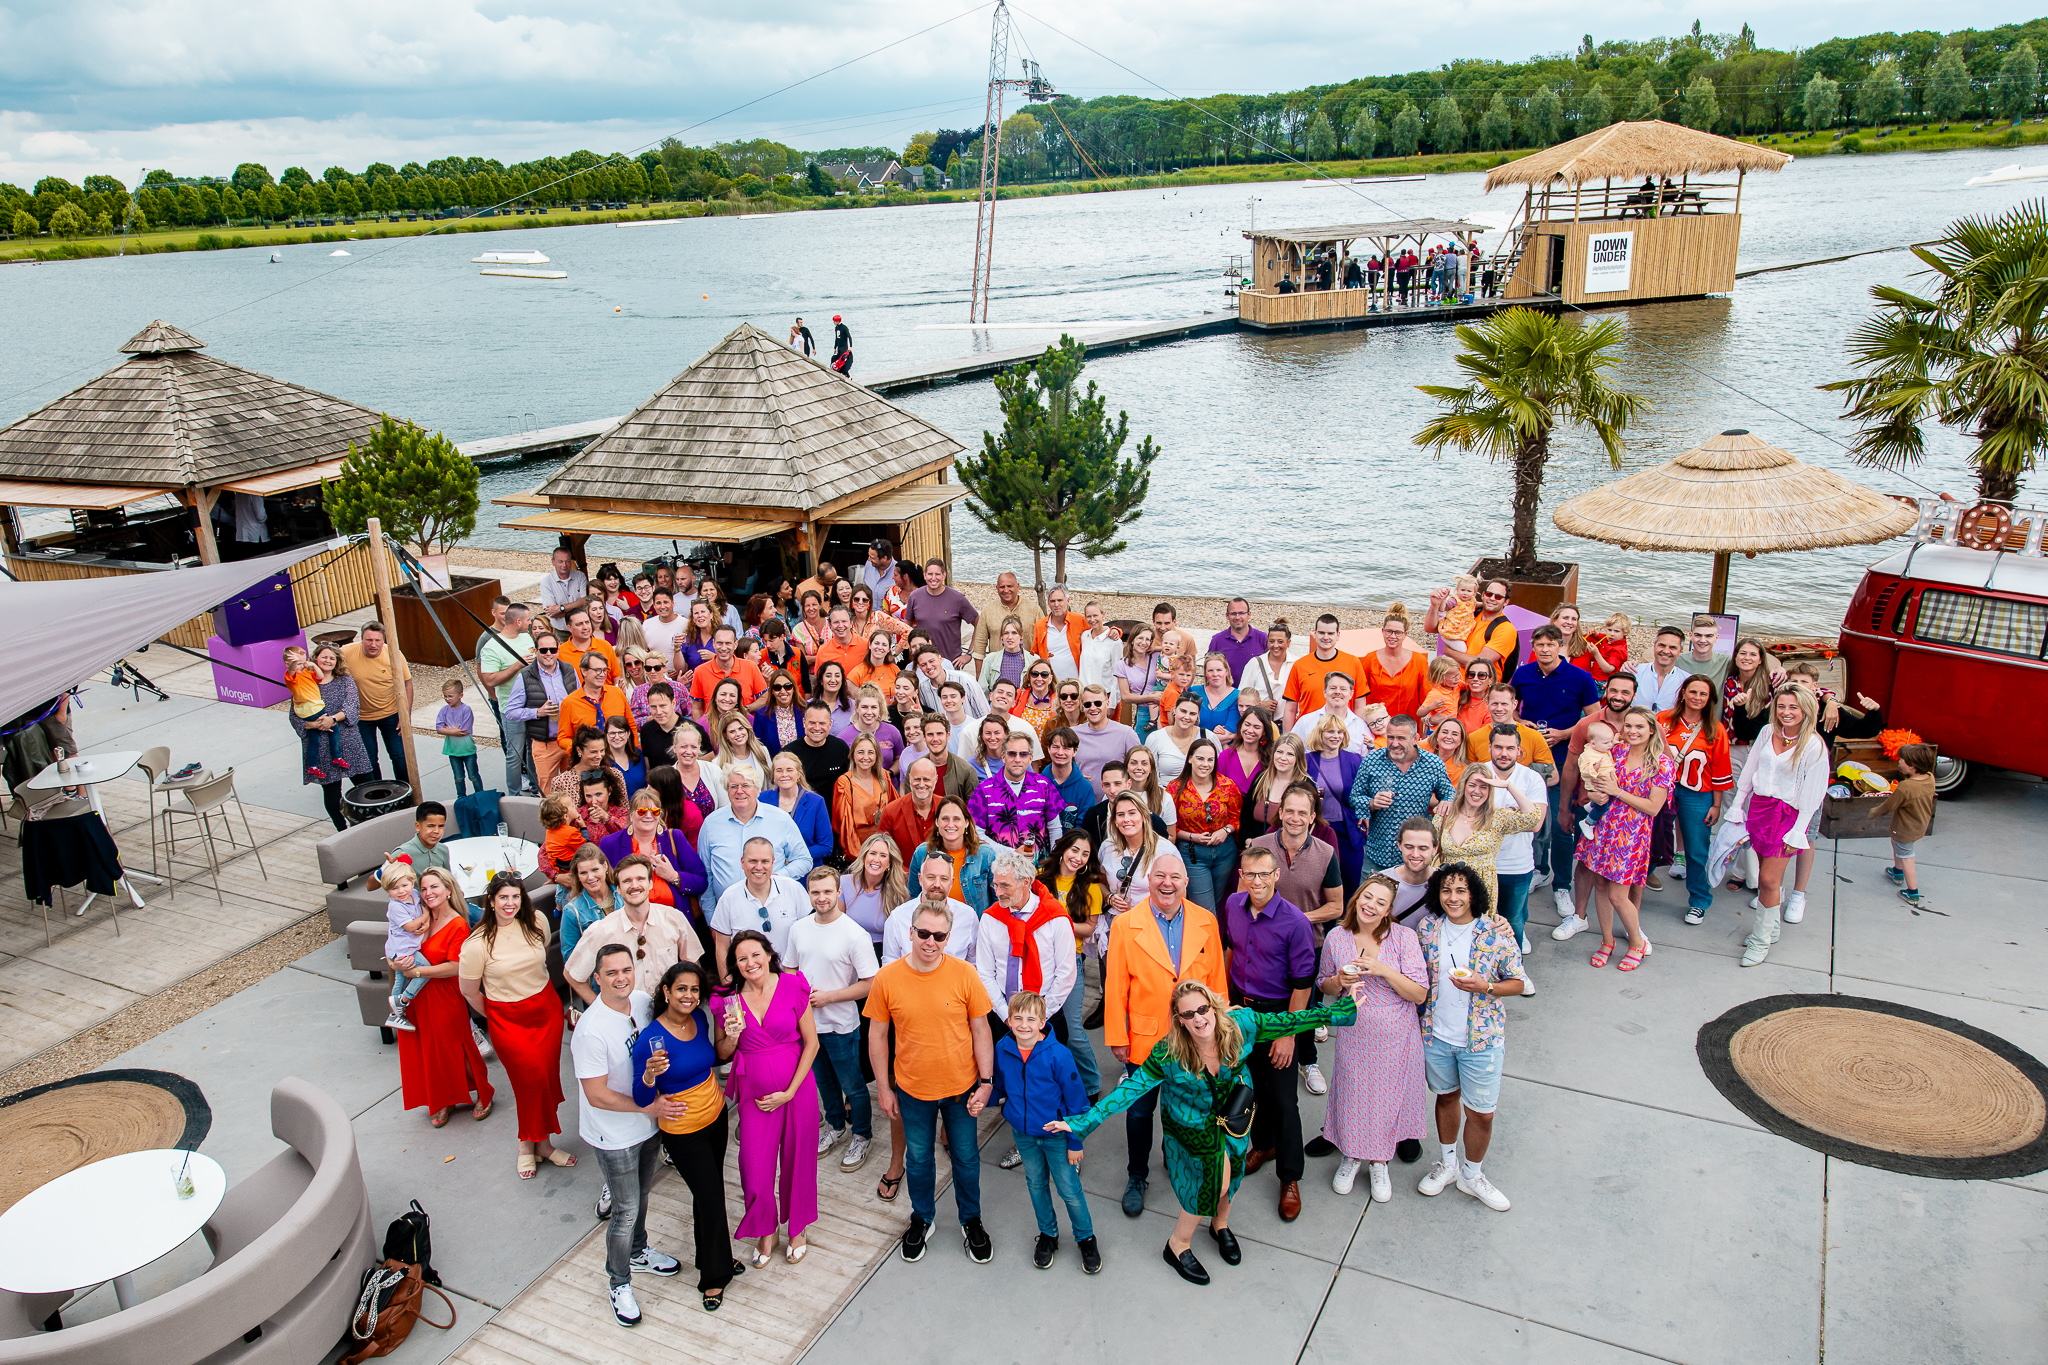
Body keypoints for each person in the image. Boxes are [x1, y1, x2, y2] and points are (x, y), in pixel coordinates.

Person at [1051, 977, 1354, 1286]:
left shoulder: (1241, 1025)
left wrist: (1341, 1010)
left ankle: (1219, 1225)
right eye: (1188, 1014)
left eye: (1202, 1009)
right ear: (1179, 1020)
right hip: (1192, 1126)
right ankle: (1177, 1244)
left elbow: (1292, 1020)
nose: (1198, 1018)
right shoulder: (1168, 1054)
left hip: (1234, 1117)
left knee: (1234, 1172)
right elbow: (1129, 1091)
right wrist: (1081, 1122)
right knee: (1211, 1183)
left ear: (1213, 1007)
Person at [865, 897, 996, 1264]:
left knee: (966, 1158)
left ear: (948, 938)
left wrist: (986, 1081)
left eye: (939, 936)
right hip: (912, 1090)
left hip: (961, 1089)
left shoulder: (965, 974)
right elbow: (877, 1036)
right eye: (923, 933)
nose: (930, 942)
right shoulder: (888, 978)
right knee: (920, 1158)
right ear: (910, 932)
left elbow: (981, 1030)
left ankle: (971, 1220)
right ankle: (922, 1217)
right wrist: (883, 1087)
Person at [1098, 851, 1228, 1218]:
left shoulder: (1206, 921)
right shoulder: (1126, 925)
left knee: (1187, 1109)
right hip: (1146, 1040)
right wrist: (1118, 1037)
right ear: (1149, 880)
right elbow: (1116, 986)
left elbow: (1217, 982)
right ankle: (1137, 1176)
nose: (1166, 883)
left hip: (1195, 1039)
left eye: (1174, 877)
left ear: (1186, 882)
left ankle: (1176, 1159)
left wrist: (1220, 1034)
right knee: (1140, 1112)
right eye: (1159, 876)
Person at [572, 942, 684, 1328]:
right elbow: (596, 1094)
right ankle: (618, 1283)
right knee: (624, 1210)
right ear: (596, 978)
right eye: (611, 973)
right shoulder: (591, 1031)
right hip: (614, 1134)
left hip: (646, 1125)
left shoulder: (640, 1002)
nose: (621, 978)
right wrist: (648, 1108)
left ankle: (638, 1252)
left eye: (626, 970)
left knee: (643, 1195)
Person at [1216, 843, 1318, 1221]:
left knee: (1284, 1101)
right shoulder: (1233, 905)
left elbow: (1303, 985)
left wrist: (1287, 1035)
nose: (1256, 881)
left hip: (1278, 1017)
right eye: (1250, 874)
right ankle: (1263, 1145)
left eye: (1264, 874)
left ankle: (1290, 1177)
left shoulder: (1295, 922)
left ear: (1276, 875)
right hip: (1242, 1013)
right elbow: (1231, 949)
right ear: (1241, 876)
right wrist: (1224, 1001)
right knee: (1250, 1088)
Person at [707, 927, 822, 1266]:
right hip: (754, 1096)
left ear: (769, 955)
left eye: (755, 954)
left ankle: (798, 1227)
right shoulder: (728, 1000)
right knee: (754, 1168)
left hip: (796, 1090)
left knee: (798, 1160)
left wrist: (789, 1092)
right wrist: (732, 1037)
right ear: (735, 964)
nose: (750, 962)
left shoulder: (792, 985)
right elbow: (722, 1053)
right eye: (742, 958)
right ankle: (765, 1228)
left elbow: (812, 1044)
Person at [631, 962, 741, 1313]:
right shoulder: (650, 1040)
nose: (689, 996)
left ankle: (713, 1257)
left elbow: (715, 1058)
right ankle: (714, 1276)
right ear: (666, 991)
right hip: (683, 1131)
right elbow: (641, 1097)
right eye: (681, 989)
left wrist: (732, 1037)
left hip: (715, 1117)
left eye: (694, 990)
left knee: (709, 1194)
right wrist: (649, 1076)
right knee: (710, 1198)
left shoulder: (700, 1020)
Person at [1413, 862, 1522, 1211]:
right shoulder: (1428, 928)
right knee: (1446, 1098)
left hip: (1482, 1040)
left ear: (1474, 894)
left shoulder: (1494, 932)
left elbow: (1518, 983)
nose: (1453, 897)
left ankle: (1472, 1175)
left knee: (1482, 1114)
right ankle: (1448, 1164)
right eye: (1446, 890)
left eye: (1461, 890)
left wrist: (1485, 986)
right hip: (1436, 1035)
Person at [1318, 875, 1428, 1200]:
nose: (1371, 906)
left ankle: (1380, 1161)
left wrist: (1383, 970)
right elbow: (1324, 984)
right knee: (1352, 1094)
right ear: (1357, 898)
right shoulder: (1337, 937)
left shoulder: (1404, 938)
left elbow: (1419, 994)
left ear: (1388, 910)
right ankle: (1351, 1156)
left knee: (1386, 1100)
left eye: (1381, 903)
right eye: (1367, 897)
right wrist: (1339, 980)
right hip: (1355, 1032)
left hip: (1396, 1035)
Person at [460, 874, 571, 1178]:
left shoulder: (536, 921)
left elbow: (543, 954)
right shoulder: (476, 943)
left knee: (545, 1080)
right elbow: (469, 991)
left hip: (546, 1012)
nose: (510, 903)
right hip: (507, 1020)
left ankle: (543, 1144)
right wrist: (497, 1015)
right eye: (503, 898)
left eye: (515, 897)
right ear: (491, 901)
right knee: (529, 1082)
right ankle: (526, 1144)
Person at [991, 987, 1098, 1272]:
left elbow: (1078, 1103)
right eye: (1017, 1018)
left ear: (1042, 1022)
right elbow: (999, 1085)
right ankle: (1048, 1234)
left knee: (1069, 1189)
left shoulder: (1059, 1055)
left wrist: (1075, 1142)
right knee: (1036, 1184)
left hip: (1056, 1136)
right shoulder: (1003, 1048)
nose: (1023, 1025)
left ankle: (1086, 1238)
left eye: (1030, 1019)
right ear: (1009, 1021)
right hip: (1023, 1134)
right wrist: (981, 1099)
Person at [1727, 687, 1828, 967]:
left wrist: (1799, 829)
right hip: (1760, 808)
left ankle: (1760, 941)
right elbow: (1750, 769)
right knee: (1765, 876)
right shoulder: (1767, 731)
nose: (1786, 712)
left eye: (1793, 707)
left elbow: (1814, 792)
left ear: (1806, 710)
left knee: (1769, 880)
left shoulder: (1814, 745)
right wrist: (1738, 804)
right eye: (1781, 706)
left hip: (1788, 815)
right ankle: (1771, 929)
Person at [788, 866, 879, 1171]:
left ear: (839, 892)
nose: (822, 898)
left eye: (828, 891)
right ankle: (835, 1126)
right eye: (815, 892)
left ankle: (862, 1135)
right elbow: (789, 969)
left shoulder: (854, 934)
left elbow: (870, 983)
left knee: (852, 1084)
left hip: (841, 1025)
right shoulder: (799, 928)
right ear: (808, 894)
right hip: (808, 1024)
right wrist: (799, 994)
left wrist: (829, 997)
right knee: (823, 1081)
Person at [1576, 706, 1675, 971]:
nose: (1632, 731)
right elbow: (1595, 783)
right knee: (1600, 885)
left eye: (1639, 726)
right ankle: (1607, 941)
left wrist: (1617, 792)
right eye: (1628, 726)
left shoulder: (1661, 763)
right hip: (1603, 828)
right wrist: (1595, 794)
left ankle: (1636, 943)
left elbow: (1654, 807)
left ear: (1651, 729)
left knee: (1619, 895)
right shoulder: (1615, 752)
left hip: (1631, 834)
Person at [395, 867, 494, 1125]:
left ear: (448, 890)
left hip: (444, 993)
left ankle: (483, 1092)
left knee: (457, 1046)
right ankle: (443, 1099)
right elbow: (398, 944)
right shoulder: (419, 917)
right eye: (424, 888)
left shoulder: (457, 923)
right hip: (418, 994)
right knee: (429, 1050)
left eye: (434, 887)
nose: (428, 893)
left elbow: (455, 966)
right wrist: (396, 964)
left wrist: (417, 971)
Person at [1433, 752, 1545, 947]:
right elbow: (1431, 853)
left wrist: (1508, 786)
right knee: (1448, 942)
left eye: (1484, 786)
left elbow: (1533, 818)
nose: (1477, 791)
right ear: (1463, 786)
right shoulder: (1445, 816)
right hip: (1448, 891)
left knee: (1478, 945)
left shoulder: (1497, 818)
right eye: (1472, 785)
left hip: (1481, 891)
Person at [564, 854, 705, 1004]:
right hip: (627, 1015)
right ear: (618, 889)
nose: (634, 885)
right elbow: (572, 975)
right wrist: (601, 1010)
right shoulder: (601, 930)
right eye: (627, 881)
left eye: (640, 879)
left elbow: (692, 965)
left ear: (650, 884)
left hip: (668, 1011)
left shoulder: (674, 918)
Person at [978, 847, 1078, 1036]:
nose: (998, 892)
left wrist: (1039, 1016)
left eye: (1005, 886)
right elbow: (985, 973)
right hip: (1003, 1015)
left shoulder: (1055, 918)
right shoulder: (990, 918)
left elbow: (1066, 973)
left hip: (1047, 1015)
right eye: (995, 885)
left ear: (1026, 882)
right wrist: (1005, 1015)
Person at [1661, 675, 1733, 926]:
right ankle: (1631, 889)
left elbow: (1720, 770)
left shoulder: (1715, 729)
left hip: (1697, 794)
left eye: (1703, 694)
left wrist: (1716, 804)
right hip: (1662, 790)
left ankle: (1699, 900)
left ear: (1710, 699)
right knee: (1651, 840)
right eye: (1693, 692)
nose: (1697, 697)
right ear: (1683, 693)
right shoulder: (1663, 720)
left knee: (1696, 849)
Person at [1351, 716, 1457, 876]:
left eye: (1401, 738)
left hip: (1416, 857)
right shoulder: (1372, 760)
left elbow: (1449, 793)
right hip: (1379, 853)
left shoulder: (1432, 764)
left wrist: (1447, 801)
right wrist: (1371, 803)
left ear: (1415, 738)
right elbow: (1355, 797)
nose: (1394, 743)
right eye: (1391, 737)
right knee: (1370, 893)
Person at [698, 764, 813, 905]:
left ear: (757, 789)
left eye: (745, 785)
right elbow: (705, 873)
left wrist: (776, 877)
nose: (739, 791)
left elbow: (804, 860)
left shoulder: (781, 819)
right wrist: (711, 914)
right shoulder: (711, 824)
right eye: (733, 786)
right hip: (728, 910)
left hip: (774, 905)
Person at [289, 644, 372, 830]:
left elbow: (352, 706)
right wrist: (311, 725)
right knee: (332, 793)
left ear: (337, 662)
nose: (327, 661)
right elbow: (294, 714)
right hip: (320, 745)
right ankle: (342, 830)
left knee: (367, 786)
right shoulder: (304, 681)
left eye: (332, 658)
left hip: (348, 742)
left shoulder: (345, 681)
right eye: (324, 657)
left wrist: (332, 719)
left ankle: (370, 825)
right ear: (315, 659)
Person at [711, 836, 811, 979]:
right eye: (753, 861)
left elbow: (810, 937)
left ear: (773, 862)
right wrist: (729, 986)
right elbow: (722, 949)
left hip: (790, 980)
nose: (759, 867)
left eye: (765, 861)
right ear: (742, 862)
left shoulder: (793, 889)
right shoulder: (728, 898)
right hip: (747, 983)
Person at [597, 789, 707, 916]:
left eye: (655, 811)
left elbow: (701, 881)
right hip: (629, 920)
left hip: (672, 920)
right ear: (631, 815)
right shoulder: (610, 844)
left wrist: (674, 877)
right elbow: (601, 886)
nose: (649, 816)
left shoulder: (675, 838)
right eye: (642, 811)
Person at [1172, 738, 1241, 911]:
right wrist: (1192, 837)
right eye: (1200, 758)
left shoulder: (1227, 785)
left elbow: (1236, 819)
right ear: (1190, 758)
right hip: (1193, 853)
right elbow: (1171, 829)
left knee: (1219, 904)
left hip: (1225, 852)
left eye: (1210, 759)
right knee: (1204, 908)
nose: (1205, 764)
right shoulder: (1175, 788)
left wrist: (1225, 831)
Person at [339, 621, 413, 784]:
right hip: (362, 717)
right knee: (369, 758)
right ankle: (378, 792)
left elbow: (407, 683)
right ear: (361, 639)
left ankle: (406, 789)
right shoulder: (346, 652)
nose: (373, 645)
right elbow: (326, 663)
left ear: (383, 640)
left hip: (391, 714)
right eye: (369, 640)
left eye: (377, 640)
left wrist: (406, 715)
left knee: (399, 755)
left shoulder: (393, 654)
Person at [908, 794, 997, 914]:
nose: (950, 824)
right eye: (945, 819)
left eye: (956, 819)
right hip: (932, 923)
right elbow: (913, 898)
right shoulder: (922, 853)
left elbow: (997, 900)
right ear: (937, 822)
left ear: (966, 823)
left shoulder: (985, 855)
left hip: (973, 923)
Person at [1877, 743, 1937, 909]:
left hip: (1905, 828)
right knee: (1896, 843)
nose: (1898, 762)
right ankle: (1897, 871)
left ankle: (1912, 892)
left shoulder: (1906, 787)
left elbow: (1889, 806)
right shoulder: (1929, 778)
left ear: (1912, 766)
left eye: (1901, 760)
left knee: (1907, 856)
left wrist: (1874, 812)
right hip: (1919, 823)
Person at [1279, 614, 1361, 732]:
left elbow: (1360, 705)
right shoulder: (1300, 665)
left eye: (1330, 633)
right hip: (1309, 731)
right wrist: (1288, 738)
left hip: (1342, 732)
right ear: (1315, 634)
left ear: (1338, 635)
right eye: (1322, 633)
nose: (1326, 637)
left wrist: (1356, 732)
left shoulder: (1353, 662)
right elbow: (1290, 708)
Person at [378, 861, 430, 1031]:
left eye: (404, 885)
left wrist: (425, 923)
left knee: (401, 979)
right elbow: (410, 926)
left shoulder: (414, 895)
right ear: (387, 891)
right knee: (425, 969)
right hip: (402, 949)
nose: (401, 891)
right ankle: (403, 1000)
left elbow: (421, 914)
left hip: (407, 946)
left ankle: (395, 1015)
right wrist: (426, 916)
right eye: (394, 888)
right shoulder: (395, 907)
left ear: (412, 882)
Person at [1428, 580, 1517, 674]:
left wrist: (1449, 652)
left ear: (1506, 602)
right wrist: (1435, 605)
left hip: (1478, 682)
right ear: (1483, 595)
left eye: (1498, 597)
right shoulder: (1470, 613)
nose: (1492, 598)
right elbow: (1430, 628)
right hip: (1452, 679)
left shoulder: (1505, 629)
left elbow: (1480, 663)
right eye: (1489, 594)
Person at [830, 735, 896, 859]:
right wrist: (860, 857)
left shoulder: (883, 776)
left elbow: (895, 810)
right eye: (860, 752)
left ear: (876, 755)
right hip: (859, 849)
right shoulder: (844, 783)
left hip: (886, 847)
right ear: (852, 755)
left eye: (870, 752)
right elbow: (845, 827)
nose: (866, 757)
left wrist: (892, 850)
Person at [1361, 603, 1429, 721]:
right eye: (1389, 631)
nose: (1393, 636)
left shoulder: (1419, 662)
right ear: (1383, 631)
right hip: (1377, 724)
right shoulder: (1370, 659)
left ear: (1405, 635)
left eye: (1398, 632)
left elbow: (1427, 700)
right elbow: (1360, 695)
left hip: (1407, 724)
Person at [1072, 684, 1142, 788]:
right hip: (1083, 796)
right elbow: (1061, 766)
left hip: (1117, 796)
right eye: (1087, 704)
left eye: (1098, 703)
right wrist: (1073, 776)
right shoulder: (1073, 733)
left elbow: (1139, 768)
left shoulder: (1126, 733)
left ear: (1107, 703)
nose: (1093, 708)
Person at [559, 603, 622, 687]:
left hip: (608, 694)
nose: (585, 627)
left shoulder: (605, 646)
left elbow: (617, 677)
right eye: (579, 624)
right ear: (569, 628)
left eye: (587, 622)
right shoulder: (560, 652)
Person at [1632, 625, 1689, 714]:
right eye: (1662, 645)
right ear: (1654, 646)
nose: (1666, 651)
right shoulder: (1634, 672)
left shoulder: (1686, 681)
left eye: (1672, 647)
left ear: (1680, 651)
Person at [540, 547, 589, 634]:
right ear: (553, 562)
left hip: (582, 628)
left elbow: (586, 602)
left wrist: (561, 608)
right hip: (561, 631)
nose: (564, 565)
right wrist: (578, 607)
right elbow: (552, 613)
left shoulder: (580, 576)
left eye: (567, 561)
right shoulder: (546, 582)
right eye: (560, 561)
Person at [602, 714, 645, 796]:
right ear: (606, 735)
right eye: (612, 733)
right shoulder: (602, 760)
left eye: (621, 732)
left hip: (642, 802)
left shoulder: (637, 753)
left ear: (628, 734)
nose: (617, 737)